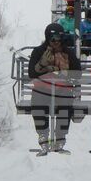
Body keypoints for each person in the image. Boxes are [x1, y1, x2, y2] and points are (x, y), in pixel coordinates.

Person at [28, 23, 82, 152]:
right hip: (43, 87)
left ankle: (60, 137)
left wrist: (65, 72)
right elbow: (32, 73)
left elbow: (78, 72)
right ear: (48, 38)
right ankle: (43, 134)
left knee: (65, 104)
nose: (56, 42)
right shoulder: (38, 51)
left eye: (59, 39)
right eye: (53, 39)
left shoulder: (67, 52)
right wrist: (43, 66)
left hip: (61, 87)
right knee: (38, 103)